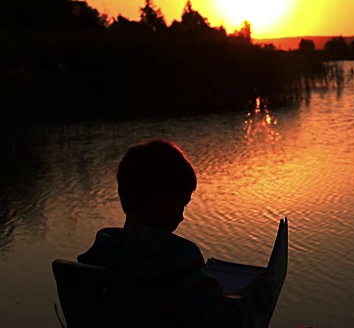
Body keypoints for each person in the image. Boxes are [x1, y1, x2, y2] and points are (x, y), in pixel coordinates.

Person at [77, 139, 273, 327]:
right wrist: (259, 294)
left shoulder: (98, 256)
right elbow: (220, 322)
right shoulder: (178, 259)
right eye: (181, 205)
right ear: (162, 200)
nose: (181, 217)